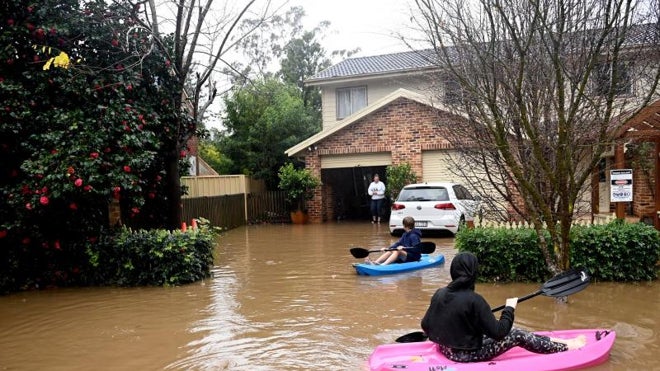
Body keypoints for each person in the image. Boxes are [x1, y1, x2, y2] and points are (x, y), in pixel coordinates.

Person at [420, 252, 586, 363]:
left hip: (444, 349)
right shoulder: (475, 300)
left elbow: (425, 325)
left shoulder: (439, 293)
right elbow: (500, 332)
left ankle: (557, 341)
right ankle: (566, 347)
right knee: (516, 333)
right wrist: (509, 309)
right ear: (473, 272)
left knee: (504, 330)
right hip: (464, 356)